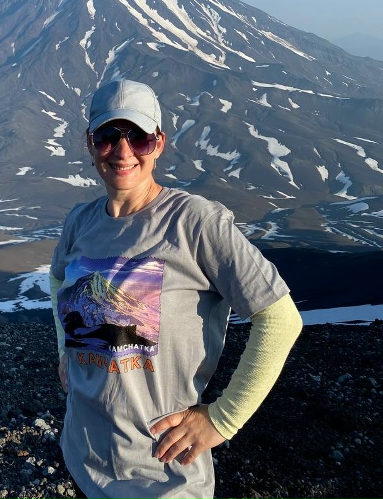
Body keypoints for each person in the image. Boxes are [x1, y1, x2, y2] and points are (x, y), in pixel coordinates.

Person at [50, 78, 302, 499]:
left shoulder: (195, 222)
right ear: (91, 143)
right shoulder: (81, 221)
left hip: (163, 479)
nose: (123, 150)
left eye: (139, 137)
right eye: (109, 136)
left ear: (159, 143)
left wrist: (222, 419)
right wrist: (65, 352)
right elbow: (60, 280)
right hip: (84, 461)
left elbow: (279, 318)